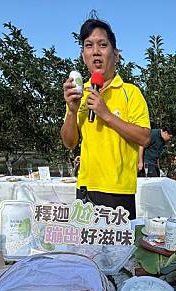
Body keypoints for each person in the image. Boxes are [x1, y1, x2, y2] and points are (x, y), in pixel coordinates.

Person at [60, 15, 150, 219]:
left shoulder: (131, 92)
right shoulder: (78, 93)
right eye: (89, 45)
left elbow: (144, 138)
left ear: (116, 55)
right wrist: (72, 111)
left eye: (103, 44)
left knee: (120, 250)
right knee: (85, 250)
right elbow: (69, 142)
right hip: (85, 188)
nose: (96, 52)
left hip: (119, 192)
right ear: (83, 56)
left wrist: (106, 114)